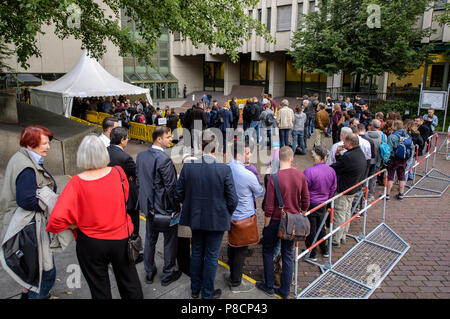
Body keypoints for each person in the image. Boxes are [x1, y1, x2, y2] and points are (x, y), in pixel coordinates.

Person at [46, 135, 143, 299]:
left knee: (99, 289)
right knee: (129, 282)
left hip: (91, 243)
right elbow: (124, 198)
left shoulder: (76, 183)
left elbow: (56, 220)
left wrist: (76, 224)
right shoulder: (118, 173)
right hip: (120, 238)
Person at [175, 130, 238, 299]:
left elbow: (178, 194)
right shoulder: (223, 169)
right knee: (211, 255)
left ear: (199, 146)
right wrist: (225, 213)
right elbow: (233, 199)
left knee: (196, 252)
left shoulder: (188, 167)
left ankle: (195, 289)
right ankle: (207, 293)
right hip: (216, 219)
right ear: (215, 147)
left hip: (196, 217)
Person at [0, 126, 57, 299]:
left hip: (23, 224)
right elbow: (26, 200)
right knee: (44, 274)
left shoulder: (20, 158)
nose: (48, 147)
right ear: (32, 144)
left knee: (30, 273)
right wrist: (51, 202)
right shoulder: (27, 168)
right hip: (30, 228)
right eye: (45, 143)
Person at [256, 147, 310, 299]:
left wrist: (266, 224)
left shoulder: (274, 177)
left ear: (278, 160)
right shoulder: (300, 175)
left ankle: (269, 285)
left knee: (267, 251)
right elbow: (306, 198)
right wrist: (303, 212)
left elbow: (269, 205)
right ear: (292, 159)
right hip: (291, 221)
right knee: (287, 254)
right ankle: (285, 290)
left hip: (274, 220)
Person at [136, 126, 182, 286]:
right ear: (159, 139)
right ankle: (168, 273)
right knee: (169, 242)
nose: (171, 139)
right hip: (165, 209)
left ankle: (149, 272)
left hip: (149, 208)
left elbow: (139, 181)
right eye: (168, 137)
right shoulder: (164, 159)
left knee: (150, 240)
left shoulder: (141, 156)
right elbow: (171, 188)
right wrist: (177, 208)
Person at [225, 140, 264, 292]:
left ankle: (231, 269)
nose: (250, 155)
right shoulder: (247, 174)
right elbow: (259, 192)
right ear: (240, 155)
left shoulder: (227, 168)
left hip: (230, 214)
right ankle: (235, 281)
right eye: (248, 153)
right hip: (244, 216)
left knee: (232, 243)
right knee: (241, 249)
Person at [107, 127, 143, 264]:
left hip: (111, 196)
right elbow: (136, 174)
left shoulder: (104, 152)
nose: (128, 140)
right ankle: (133, 253)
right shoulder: (125, 158)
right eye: (127, 138)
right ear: (122, 140)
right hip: (128, 198)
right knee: (133, 226)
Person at [330, 134, 367, 246]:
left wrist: (336, 155)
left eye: (345, 142)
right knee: (346, 212)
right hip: (353, 188)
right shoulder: (360, 154)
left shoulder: (348, 156)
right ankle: (343, 235)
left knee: (339, 213)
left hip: (344, 189)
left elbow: (336, 167)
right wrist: (338, 154)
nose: (343, 144)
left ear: (350, 144)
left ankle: (335, 239)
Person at [303, 146, 337, 261]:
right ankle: (324, 248)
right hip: (324, 202)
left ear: (317, 156)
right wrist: (328, 199)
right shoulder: (331, 170)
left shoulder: (309, 172)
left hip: (312, 203)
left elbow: (304, 190)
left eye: (313, 154)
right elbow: (333, 187)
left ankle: (312, 252)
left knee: (311, 228)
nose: (312, 156)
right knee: (321, 225)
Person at [386, 121, 411, 200]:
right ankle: (401, 194)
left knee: (390, 176)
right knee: (401, 176)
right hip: (403, 159)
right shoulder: (406, 135)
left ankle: (387, 194)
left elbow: (389, 149)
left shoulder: (392, 136)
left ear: (395, 126)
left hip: (394, 159)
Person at [365, 120, 385, 201]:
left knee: (364, 177)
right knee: (373, 178)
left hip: (367, 160)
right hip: (377, 160)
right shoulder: (383, 136)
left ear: (372, 126)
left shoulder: (366, 135)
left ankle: (363, 194)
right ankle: (370, 195)